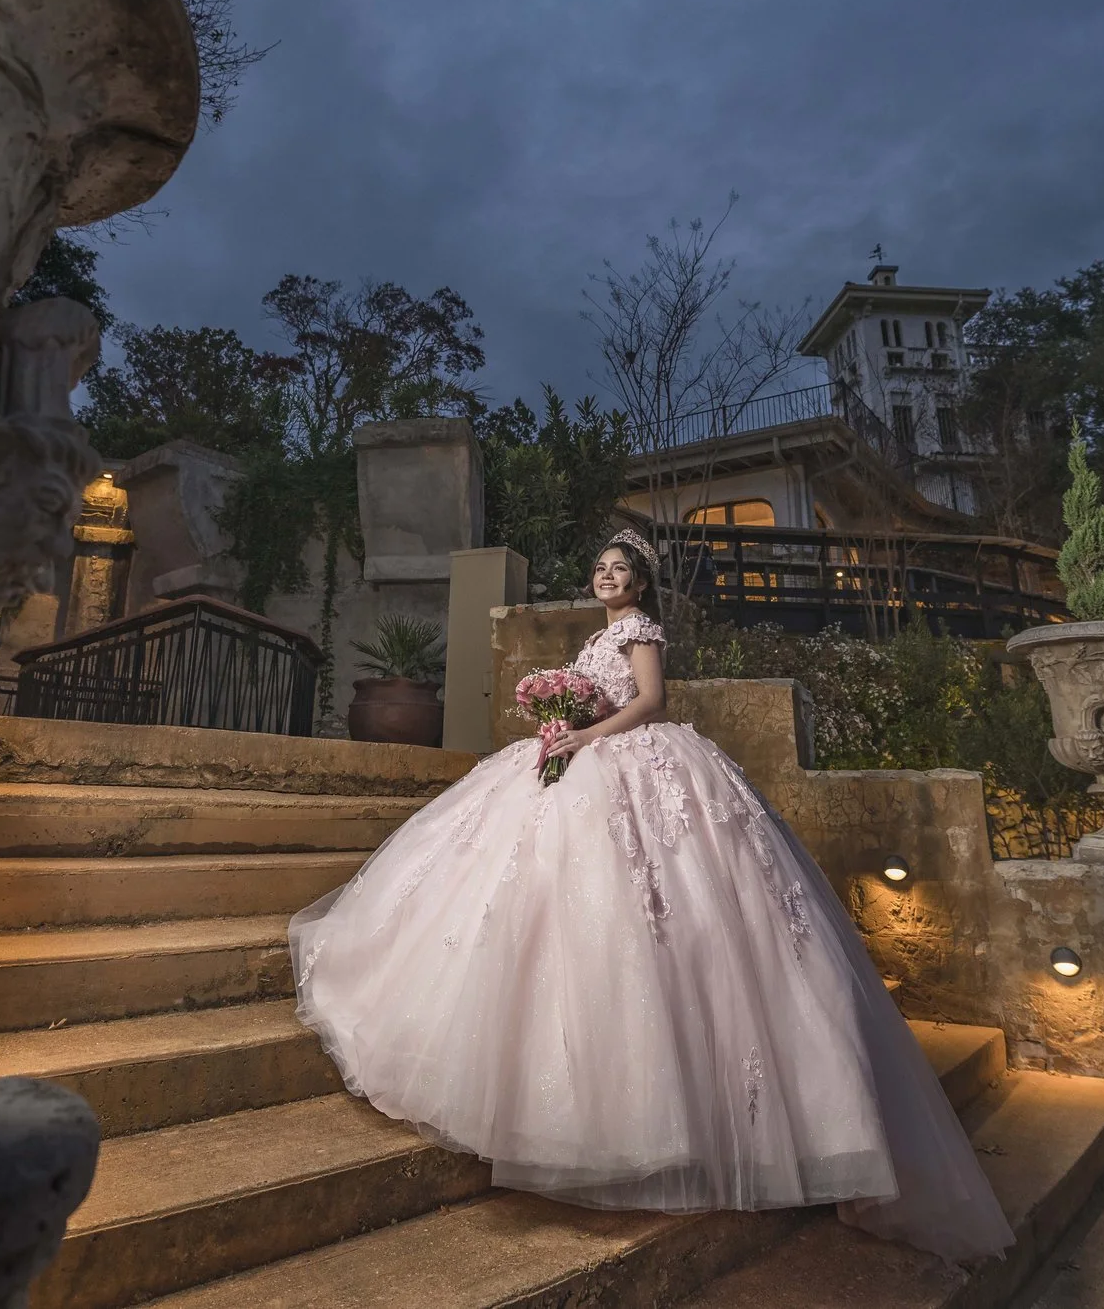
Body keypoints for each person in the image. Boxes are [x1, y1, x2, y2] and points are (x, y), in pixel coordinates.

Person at [289, 528, 1014, 1263]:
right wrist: (560, 726)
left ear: (639, 583)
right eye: (599, 567)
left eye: (619, 569)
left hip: (630, 755)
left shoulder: (639, 629)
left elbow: (654, 700)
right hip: (583, 749)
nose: (607, 577)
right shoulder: (597, 634)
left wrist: (586, 734)